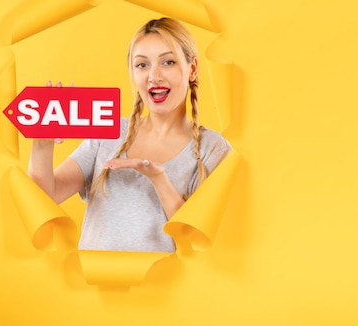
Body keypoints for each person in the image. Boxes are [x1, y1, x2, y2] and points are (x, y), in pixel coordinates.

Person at [27, 17, 232, 252]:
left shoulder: (213, 148)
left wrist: (159, 179)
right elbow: (44, 198)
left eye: (168, 62)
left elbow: (199, 242)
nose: (154, 76)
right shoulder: (108, 130)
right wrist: (42, 143)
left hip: (166, 287)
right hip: (94, 285)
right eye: (142, 65)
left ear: (192, 69)